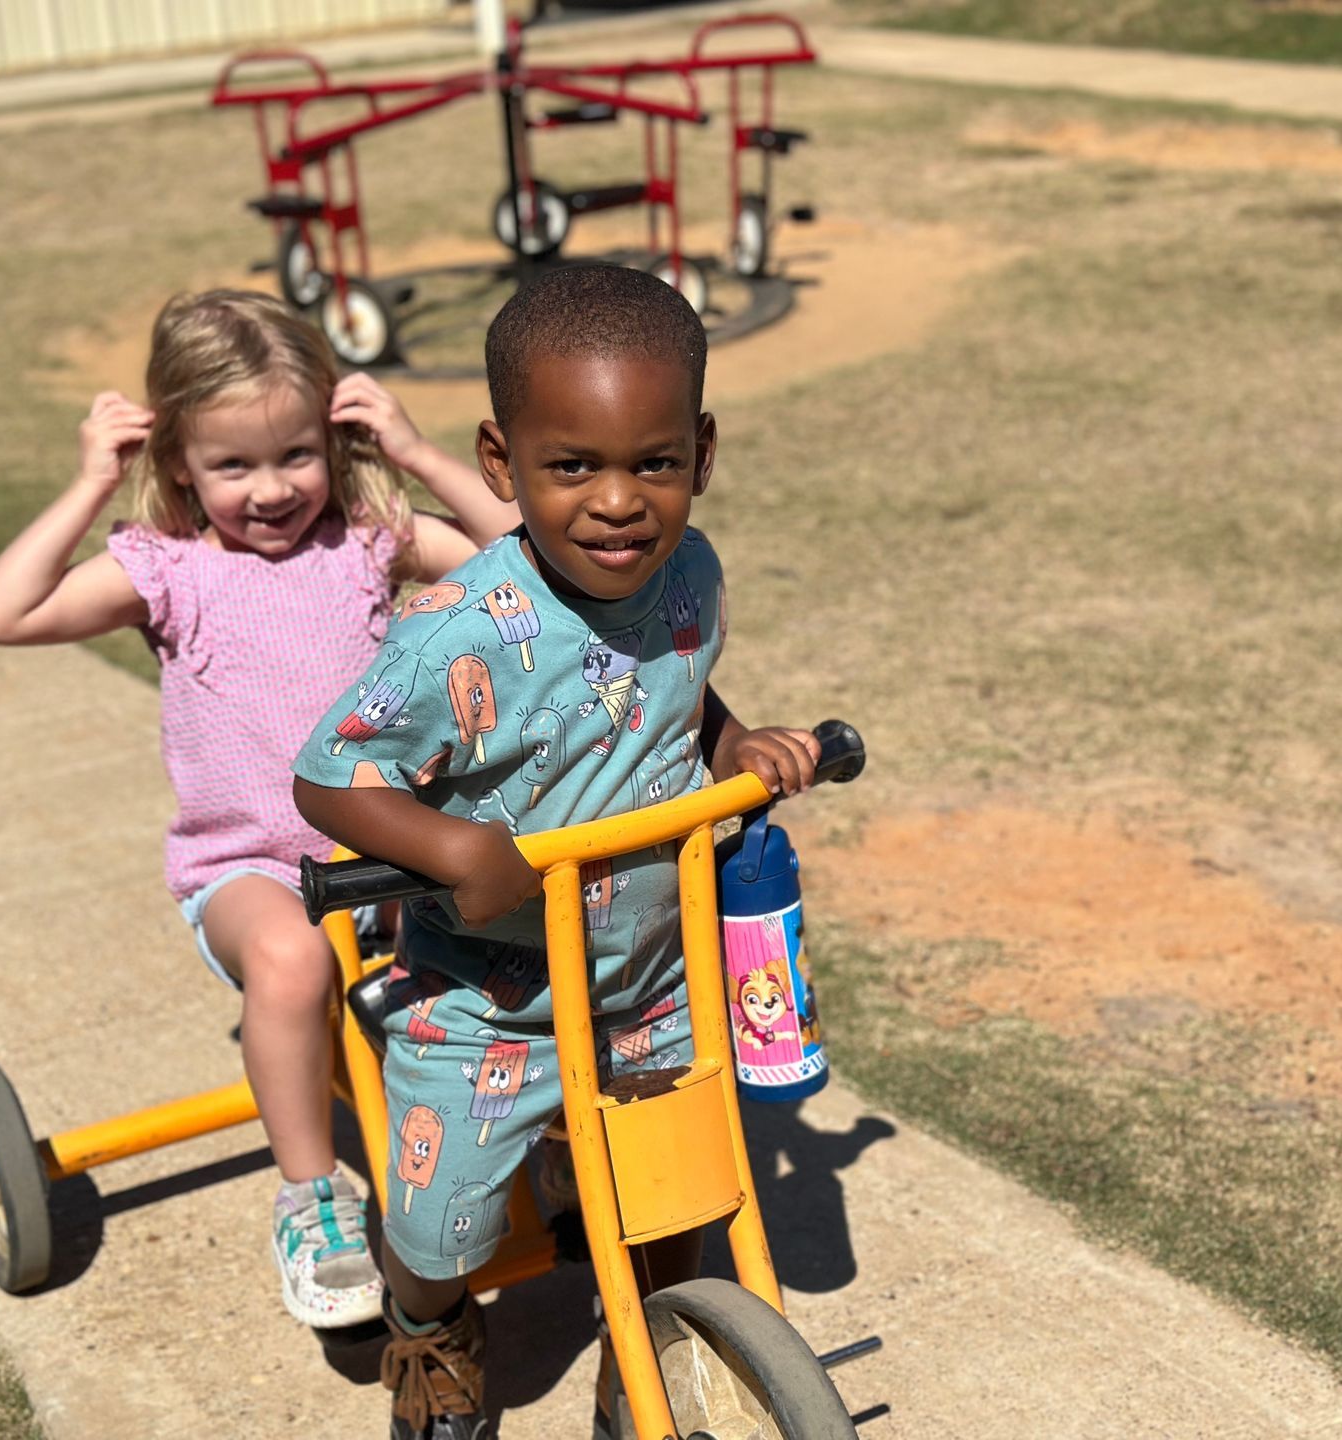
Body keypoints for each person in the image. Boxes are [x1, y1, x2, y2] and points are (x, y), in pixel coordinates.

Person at [292, 264, 825, 1440]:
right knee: (441, 1235)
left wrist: (734, 736)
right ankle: (429, 1331)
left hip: (651, 978)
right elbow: (331, 772)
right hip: (494, 995)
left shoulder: (692, 574)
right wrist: (454, 848)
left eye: (656, 463)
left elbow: (675, 680)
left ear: (703, 450)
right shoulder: (461, 632)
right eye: (572, 467)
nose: (619, 503)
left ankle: (649, 1342)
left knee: (677, 1181)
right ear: (500, 465)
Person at [0, 290, 518, 1329]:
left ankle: (520, 1132)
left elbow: (522, 559)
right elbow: (2, 612)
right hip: (252, 870)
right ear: (177, 460)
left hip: (392, 856)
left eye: (296, 456)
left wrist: (416, 452)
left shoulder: (367, 537)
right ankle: (312, 1197)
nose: (271, 491)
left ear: (331, 437)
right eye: (233, 466)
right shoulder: (163, 571)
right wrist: (91, 483)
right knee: (294, 964)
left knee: (501, 931)